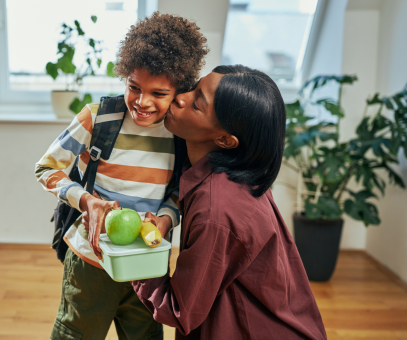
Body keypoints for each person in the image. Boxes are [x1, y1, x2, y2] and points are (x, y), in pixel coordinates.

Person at [35, 13, 209, 340]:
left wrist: (166, 220)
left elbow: (178, 193)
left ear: (179, 92)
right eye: (134, 87)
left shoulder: (180, 135)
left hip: (147, 266)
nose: (142, 102)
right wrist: (86, 200)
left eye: (158, 94)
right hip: (90, 261)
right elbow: (45, 168)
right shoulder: (98, 117)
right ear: (125, 76)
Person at [131, 65, 328, 340]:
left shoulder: (217, 209)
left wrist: (135, 253)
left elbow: (179, 311)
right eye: (194, 87)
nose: (180, 97)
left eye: (197, 103)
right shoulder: (230, 173)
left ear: (224, 139)